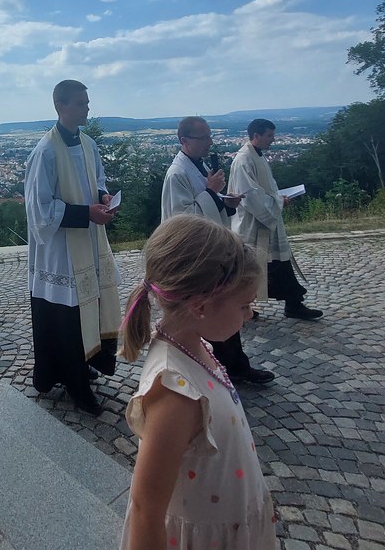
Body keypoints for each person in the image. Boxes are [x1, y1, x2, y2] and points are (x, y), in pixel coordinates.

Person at [119, 214, 275, 549]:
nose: (249, 315)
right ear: (201, 306)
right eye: (245, 305)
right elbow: (146, 508)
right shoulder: (175, 392)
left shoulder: (194, 345)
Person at [24, 79, 121, 416]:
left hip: (88, 243)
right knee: (67, 320)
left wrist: (104, 197)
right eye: (81, 103)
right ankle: (75, 385)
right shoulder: (46, 151)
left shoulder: (88, 143)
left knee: (88, 309)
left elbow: (97, 181)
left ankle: (85, 365)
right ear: (60, 107)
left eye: (87, 102)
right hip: (61, 252)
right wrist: (86, 213)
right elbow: (40, 209)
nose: (87, 108)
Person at [161, 117, 274, 384]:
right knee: (206, 312)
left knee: (222, 308)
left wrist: (227, 201)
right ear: (184, 141)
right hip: (195, 255)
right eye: (204, 138)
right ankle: (212, 368)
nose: (210, 143)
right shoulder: (177, 173)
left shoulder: (196, 166)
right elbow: (181, 218)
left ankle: (233, 364)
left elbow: (206, 203)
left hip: (212, 250)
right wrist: (212, 193)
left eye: (210, 136)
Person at [227, 119, 324, 320]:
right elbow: (250, 196)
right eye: (269, 135)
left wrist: (278, 198)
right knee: (253, 269)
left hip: (267, 223)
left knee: (278, 264)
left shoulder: (256, 156)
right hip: (255, 225)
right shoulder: (244, 159)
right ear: (256, 136)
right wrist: (278, 202)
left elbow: (265, 190)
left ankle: (293, 303)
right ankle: (240, 307)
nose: (273, 140)